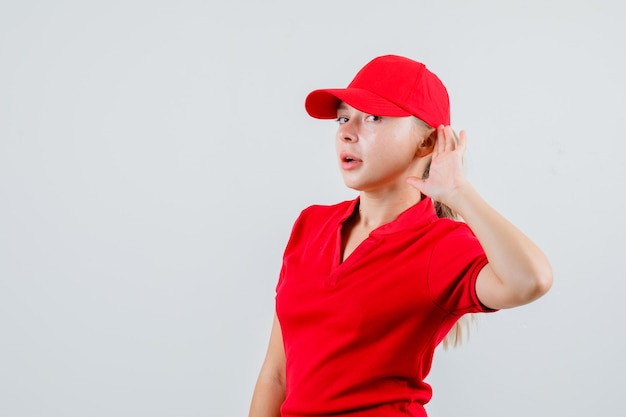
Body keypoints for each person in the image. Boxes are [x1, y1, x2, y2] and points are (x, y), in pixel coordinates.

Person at [248, 54, 553, 417]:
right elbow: (275, 376)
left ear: (426, 144)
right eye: (344, 117)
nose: (347, 131)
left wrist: (457, 191)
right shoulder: (310, 225)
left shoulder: (440, 245)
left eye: (373, 118)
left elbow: (531, 280)